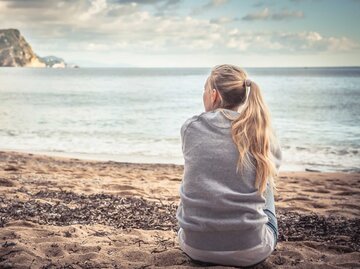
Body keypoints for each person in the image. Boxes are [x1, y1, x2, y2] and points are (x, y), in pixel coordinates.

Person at [176, 64, 282, 267]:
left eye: (205, 91)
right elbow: (274, 167)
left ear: (214, 95)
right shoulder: (260, 132)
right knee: (264, 175)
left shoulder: (190, 127)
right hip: (252, 251)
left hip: (195, 247)